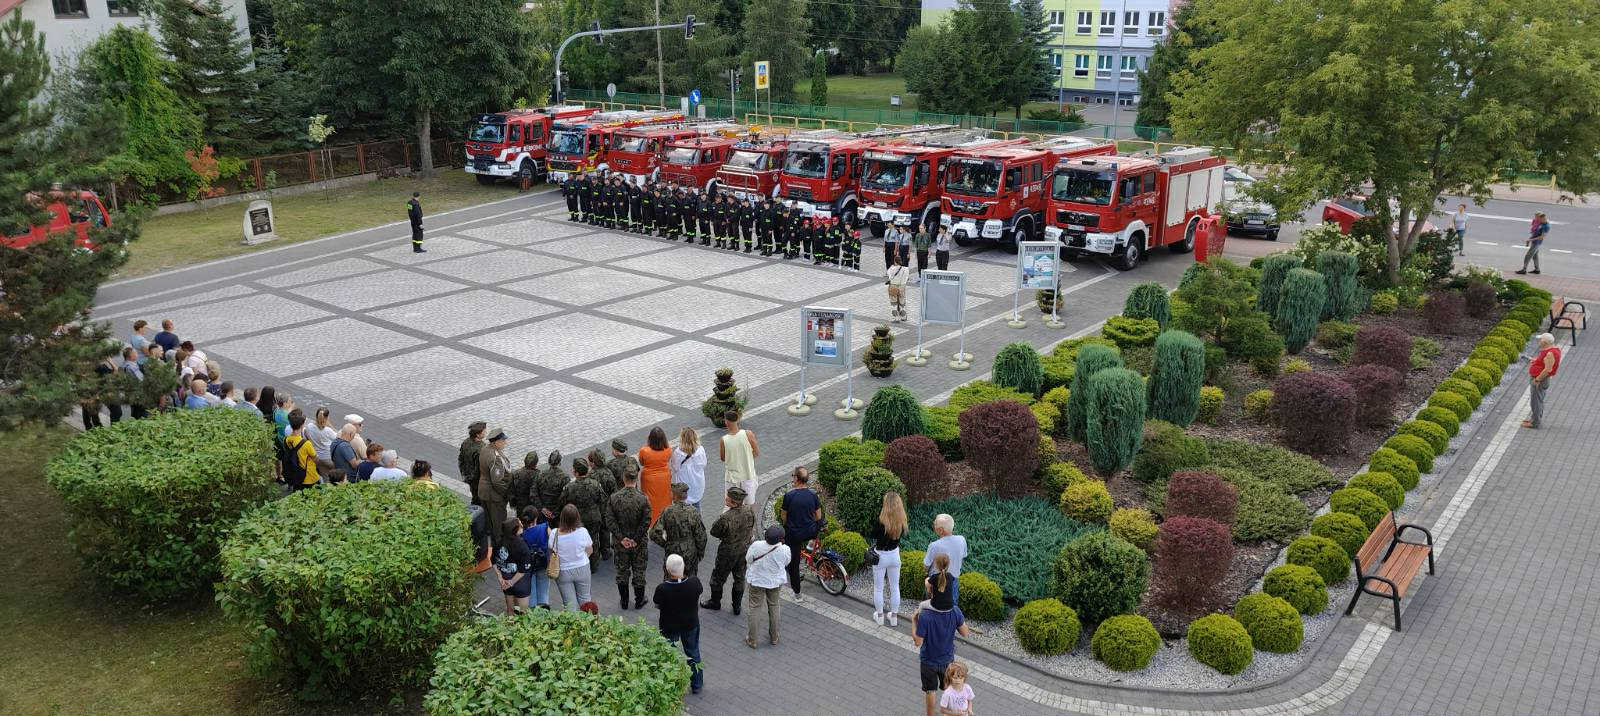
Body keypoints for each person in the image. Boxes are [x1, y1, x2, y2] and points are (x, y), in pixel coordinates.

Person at [912, 554, 969, 716]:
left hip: (928, 660)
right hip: (947, 660)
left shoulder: (926, 616)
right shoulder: (955, 612)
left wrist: (913, 621)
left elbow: (917, 642)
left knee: (930, 692)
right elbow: (965, 633)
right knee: (949, 691)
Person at [653, 554, 705, 694]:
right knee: (693, 653)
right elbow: (699, 593)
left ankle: (672, 685)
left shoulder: (662, 588)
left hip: (669, 626)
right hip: (690, 623)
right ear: (683, 567)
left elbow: (657, 604)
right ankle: (697, 684)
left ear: (667, 570)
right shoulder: (694, 582)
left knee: (669, 655)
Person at [606, 462, 652, 610]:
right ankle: (639, 600)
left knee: (622, 571)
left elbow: (610, 520)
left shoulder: (614, 498)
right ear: (636, 478)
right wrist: (635, 539)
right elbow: (647, 522)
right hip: (638, 543)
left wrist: (622, 538)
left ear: (623, 478)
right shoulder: (643, 498)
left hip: (621, 543)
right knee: (639, 571)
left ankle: (624, 601)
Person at [701, 486, 754, 613]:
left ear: (734, 503)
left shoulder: (725, 517)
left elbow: (714, 532)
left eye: (728, 498)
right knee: (740, 578)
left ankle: (715, 602)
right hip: (743, 550)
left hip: (727, 552)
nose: (726, 498)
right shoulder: (749, 511)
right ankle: (737, 606)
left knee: (718, 577)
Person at [778, 467, 822, 602]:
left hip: (795, 535)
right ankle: (810, 550)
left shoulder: (789, 496)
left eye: (793, 476)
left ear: (796, 478)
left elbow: (783, 517)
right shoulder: (813, 495)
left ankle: (797, 594)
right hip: (810, 532)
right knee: (808, 542)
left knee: (793, 565)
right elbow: (818, 516)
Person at [744, 525, 792, 648]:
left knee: (755, 608)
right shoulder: (785, 549)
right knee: (774, 606)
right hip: (775, 582)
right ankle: (774, 637)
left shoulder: (756, 545)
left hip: (757, 581)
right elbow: (787, 562)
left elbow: (748, 559)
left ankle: (752, 640)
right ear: (780, 539)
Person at [650, 482, 708, 578]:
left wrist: (666, 544)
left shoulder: (667, 511)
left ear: (674, 495)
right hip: (690, 551)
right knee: (690, 579)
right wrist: (700, 553)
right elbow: (701, 536)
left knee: (671, 578)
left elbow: (653, 534)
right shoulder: (693, 512)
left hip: (673, 551)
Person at [559, 460, 609, 568]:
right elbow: (603, 500)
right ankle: (593, 565)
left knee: (578, 541)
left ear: (576, 473)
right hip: (593, 517)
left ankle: (580, 563)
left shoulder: (569, 487)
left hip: (577, 519)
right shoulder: (595, 484)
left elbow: (562, 503)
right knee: (593, 540)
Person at [870, 491, 909, 626]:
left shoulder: (880, 521)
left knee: (878, 588)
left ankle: (880, 616)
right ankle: (894, 617)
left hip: (880, 556)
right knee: (895, 587)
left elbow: (873, 534)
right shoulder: (902, 521)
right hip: (894, 555)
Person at [552, 504, 594, 611]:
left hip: (563, 571)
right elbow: (590, 550)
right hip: (582, 568)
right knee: (585, 599)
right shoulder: (583, 531)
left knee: (569, 604)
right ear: (577, 517)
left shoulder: (554, 533)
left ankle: (574, 625)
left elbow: (552, 551)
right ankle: (589, 624)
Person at [923, 514, 968, 606]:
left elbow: (926, 566)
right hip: (954, 580)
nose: (933, 525)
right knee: (952, 608)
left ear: (941, 530)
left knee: (933, 608)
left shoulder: (934, 545)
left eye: (935, 524)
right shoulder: (962, 540)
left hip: (936, 582)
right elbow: (962, 557)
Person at [478, 428, 512, 544]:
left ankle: (492, 541)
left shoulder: (485, 449)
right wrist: (506, 494)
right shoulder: (495, 458)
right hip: (494, 496)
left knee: (489, 522)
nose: (505, 442)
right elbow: (497, 482)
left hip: (484, 491)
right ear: (496, 442)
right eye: (503, 440)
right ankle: (499, 546)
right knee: (498, 523)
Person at [719, 410, 758, 506]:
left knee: (731, 505)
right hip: (748, 475)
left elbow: (723, 458)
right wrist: (746, 458)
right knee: (750, 504)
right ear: (737, 420)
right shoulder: (748, 434)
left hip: (732, 478)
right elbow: (756, 452)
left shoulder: (723, 440)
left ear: (726, 422)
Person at [496, 517, 534, 614]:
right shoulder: (522, 546)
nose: (522, 525)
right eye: (520, 524)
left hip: (506, 582)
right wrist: (511, 582)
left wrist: (500, 577)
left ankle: (510, 627)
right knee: (523, 613)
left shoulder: (499, 542)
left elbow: (493, 561)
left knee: (510, 611)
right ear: (515, 530)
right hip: (521, 583)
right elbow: (522, 571)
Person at [1524, 332, 1562, 429]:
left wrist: (1537, 379)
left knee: (1536, 401)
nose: (1539, 341)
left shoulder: (1549, 354)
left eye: (1540, 340)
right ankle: (1534, 418)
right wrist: (1536, 360)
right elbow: (1544, 363)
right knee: (1537, 399)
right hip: (1540, 379)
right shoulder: (1551, 349)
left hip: (1540, 380)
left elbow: (1547, 369)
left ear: (1545, 342)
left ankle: (1535, 422)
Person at [638, 427, 675, 524]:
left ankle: (651, 521)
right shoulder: (668, 450)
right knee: (664, 499)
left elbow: (642, 463)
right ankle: (664, 520)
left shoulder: (644, 451)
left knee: (650, 501)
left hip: (648, 479)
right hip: (664, 478)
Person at [518, 508, 553, 607]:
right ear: (536, 518)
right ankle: (544, 616)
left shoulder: (522, 534)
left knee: (531, 595)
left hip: (529, 569)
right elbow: (554, 542)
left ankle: (533, 617)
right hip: (543, 565)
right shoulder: (544, 527)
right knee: (544, 594)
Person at [282, 408, 319, 491]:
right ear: (302, 425)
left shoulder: (286, 439)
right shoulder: (306, 443)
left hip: (295, 475)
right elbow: (316, 459)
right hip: (308, 477)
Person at [671, 427, 707, 509]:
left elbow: (675, 467)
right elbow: (704, 464)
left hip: (683, 484)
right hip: (697, 483)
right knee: (696, 506)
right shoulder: (700, 450)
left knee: (682, 507)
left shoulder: (678, 452)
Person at [535, 451, 570, 522]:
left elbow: (534, 493)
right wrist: (555, 512)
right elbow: (565, 497)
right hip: (557, 515)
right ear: (560, 462)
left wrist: (542, 508)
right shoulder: (565, 478)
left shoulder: (540, 474)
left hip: (542, 513)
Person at [458, 421, 487, 506]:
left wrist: (464, 473)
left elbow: (460, 459)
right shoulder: (481, 449)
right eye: (484, 431)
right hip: (477, 480)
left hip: (469, 476)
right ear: (478, 435)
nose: (485, 432)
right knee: (480, 499)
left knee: (475, 495)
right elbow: (480, 468)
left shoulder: (466, 442)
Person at [508, 451, 541, 518]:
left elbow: (511, 491)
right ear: (535, 463)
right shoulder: (537, 475)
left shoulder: (515, 473)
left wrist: (513, 504)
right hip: (532, 506)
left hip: (520, 505)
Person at [308, 407, 337, 473]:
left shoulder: (309, 426)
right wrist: (330, 425)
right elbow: (338, 438)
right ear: (327, 418)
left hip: (316, 456)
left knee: (323, 474)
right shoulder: (328, 430)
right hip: (328, 458)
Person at [887, 253, 912, 322]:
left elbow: (889, 275)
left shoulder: (892, 269)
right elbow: (907, 278)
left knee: (894, 303)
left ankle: (896, 318)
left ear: (895, 261)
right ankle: (903, 316)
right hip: (902, 287)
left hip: (893, 286)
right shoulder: (905, 269)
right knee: (902, 302)